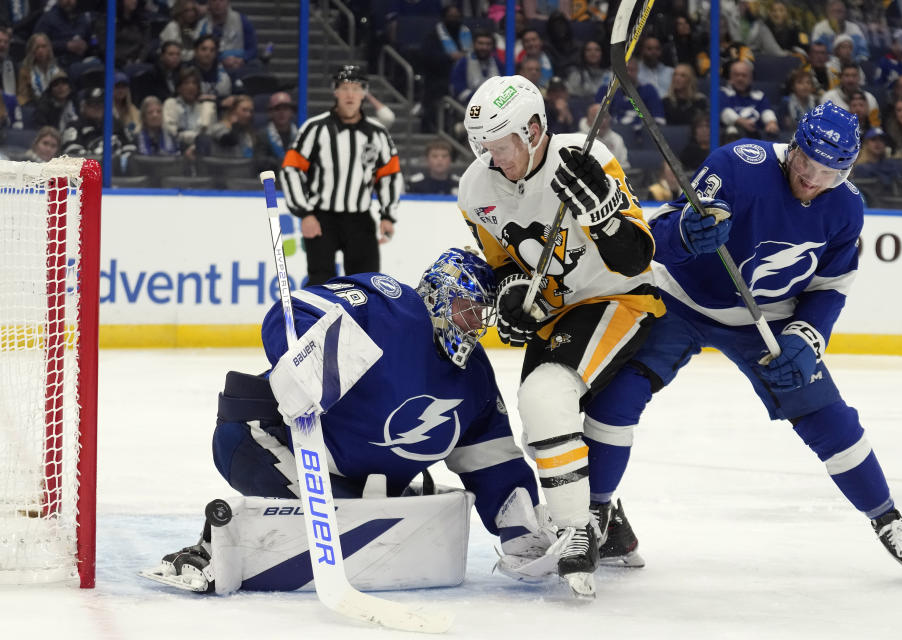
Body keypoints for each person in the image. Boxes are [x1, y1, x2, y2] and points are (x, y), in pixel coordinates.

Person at [587, 102, 902, 585]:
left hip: (766, 321)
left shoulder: (847, 207)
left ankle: (890, 521)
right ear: (792, 147)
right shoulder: (739, 163)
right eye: (806, 165)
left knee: (826, 414)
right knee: (617, 394)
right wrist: (688, 236)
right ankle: (598, 516)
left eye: (829, 173)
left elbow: (830, 286)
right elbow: (659, 236)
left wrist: (808, 335)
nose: (813, 180)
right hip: (681, 299)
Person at [140, 249, 555, 595]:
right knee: (364, 518)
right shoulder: (390, 306)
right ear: (441, 295)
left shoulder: (474, 375)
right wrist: (304, 358)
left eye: (482, 316)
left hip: (358, 483)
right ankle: (212, 548)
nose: (475, 326)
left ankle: (332, 509)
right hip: (262, 436)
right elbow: (292, 312)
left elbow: (492, 456)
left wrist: (520, 531)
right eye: (468, 311)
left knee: (395, 512)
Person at [460, 74, 665, 597]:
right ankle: (609, 524)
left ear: (532, 131)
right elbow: (504, 264)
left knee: (544, 396)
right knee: (541, 430)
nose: (491, 158)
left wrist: (601, 214)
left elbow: (638, 256)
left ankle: (578, 531)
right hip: (557, 314)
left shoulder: (584, 160)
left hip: (616, 296)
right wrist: (510, 298)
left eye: (500, 146)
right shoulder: (474, 188)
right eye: (482, 146)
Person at [278, 65, 401, 287]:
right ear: (335, 91)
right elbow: (291, 169)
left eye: (356, 88)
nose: (350, 94)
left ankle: (362, 323)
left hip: (360, 219)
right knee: (320, 282)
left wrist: (387, 215)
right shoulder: (315, 128)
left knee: (366, 284)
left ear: (365, 92)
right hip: (322, 218)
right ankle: (318, 322)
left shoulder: (377, 133)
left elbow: (389, 176)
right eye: (344, 88)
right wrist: (304, 213)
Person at [718, 60, 779, 142]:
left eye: (744, 75)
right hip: (731, 135)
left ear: (751, 78)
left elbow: (766, 111)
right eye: (736, 75)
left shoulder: (759, 96)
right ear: (730, 77)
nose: (740, 78)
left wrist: (771, 122)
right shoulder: (723, 93)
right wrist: (741, 122)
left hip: (755, 136)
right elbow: (725, 113)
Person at [162, 66, 217, 157]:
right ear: (179, 88)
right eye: (186, 83)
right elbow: (171, 133)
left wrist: (195, 144)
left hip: (201, 152)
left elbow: (209, 135)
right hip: (175, 151)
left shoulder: (207, 108)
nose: (191, 87)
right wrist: (197, 137)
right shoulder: (171, 104)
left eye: (194, 83)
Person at [195, 0, 258, 74]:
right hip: (212, 69)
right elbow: (198, 52)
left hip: (240, 67)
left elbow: (252, 49)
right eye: (214, 1)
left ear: (228, 2)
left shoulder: (241, 20)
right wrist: (221, 60)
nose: (217, 3)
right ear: (208, 3)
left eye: (221, 0)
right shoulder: (202, 25)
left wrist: (242, 59)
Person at [32, 0, 95, 68]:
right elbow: (35, 45)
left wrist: (87, 45)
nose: (68, 1)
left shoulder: (83, 18)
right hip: (56, 65)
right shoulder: (48, 19)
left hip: (80, 61)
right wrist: (66, 46)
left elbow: (92, 40)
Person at [450, 29, 503, 104]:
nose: (484, 47)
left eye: (488, 44)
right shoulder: (463, 63)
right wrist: (483, 99)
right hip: (468, 109)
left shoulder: (497, 63)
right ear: (474, 44)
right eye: (480, 43)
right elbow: (459, 91)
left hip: (495, 106)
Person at [253, 91, 297, 173]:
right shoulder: (262, 135)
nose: (282, 113)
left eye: (286, 109)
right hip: (270, 181)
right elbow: (260, 162)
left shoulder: (299, 135)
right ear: (270, 113)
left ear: (292, 112)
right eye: (277, 109)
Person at [16, 33, 62, 106]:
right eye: (37, 47)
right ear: (31, 50)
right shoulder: (25, 70)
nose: (40, 50)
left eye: (43, 46)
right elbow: (23, 97)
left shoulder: (57, 68)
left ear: (49, 48)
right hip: (35, 107)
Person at [663, 62, 706, 126]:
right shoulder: (665, 101)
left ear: (690, 79)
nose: (677, 78)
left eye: (682, 75)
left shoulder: (700, 101)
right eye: (675, 74)